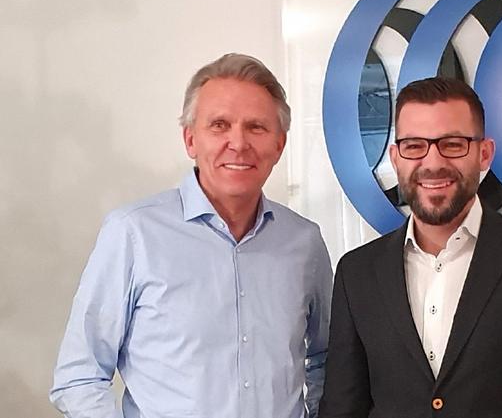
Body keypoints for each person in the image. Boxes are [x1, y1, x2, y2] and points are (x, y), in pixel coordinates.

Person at [51, 53, 333, 418]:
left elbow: (327, 359)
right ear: (190, 140)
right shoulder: (133, 234)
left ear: (279, 144)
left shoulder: (305, 243)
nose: (238, 143)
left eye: (256, 127)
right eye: (219, 125)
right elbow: (79, 376)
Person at [319, 76, 502, 418]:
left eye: (452, 144)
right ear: (396, 158)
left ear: (484, 153)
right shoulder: (356, 273)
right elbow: (342, 408)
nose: (433, 163)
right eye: (414, 146)